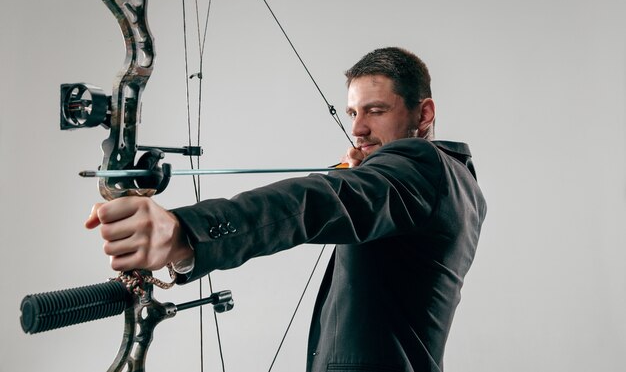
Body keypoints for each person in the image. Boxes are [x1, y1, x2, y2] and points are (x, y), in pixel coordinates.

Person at [86, 47, 487, 372]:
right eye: (353, 112)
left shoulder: (421, 165)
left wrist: (184, 232)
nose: (358, 129)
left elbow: (317, 202)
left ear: (424, 114)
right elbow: (350, 198)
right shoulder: (449, 183)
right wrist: (351, 176)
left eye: (376, 110)